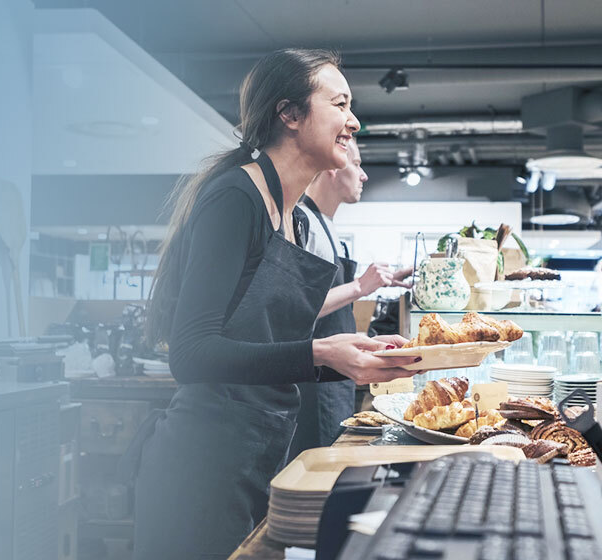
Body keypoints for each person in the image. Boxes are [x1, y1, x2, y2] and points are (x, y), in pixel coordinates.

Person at [133, 49, 420, 559]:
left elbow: (266, 344)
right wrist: (321, 354)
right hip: (203, 466)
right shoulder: (235, 198)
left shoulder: (297, 219)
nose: (354, 121)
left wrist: (354, 363)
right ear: (289, 115)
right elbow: (192, 355)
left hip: (263, 452)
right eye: (339, 104)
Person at [288, 141, 414, 459]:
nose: (364, 175)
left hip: (335, 376)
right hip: (315, 380)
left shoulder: (326, 225)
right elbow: (296, 311)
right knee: (317, 468)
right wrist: (360, 286)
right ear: (332, 167)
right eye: (356, 164)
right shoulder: (302, 223)